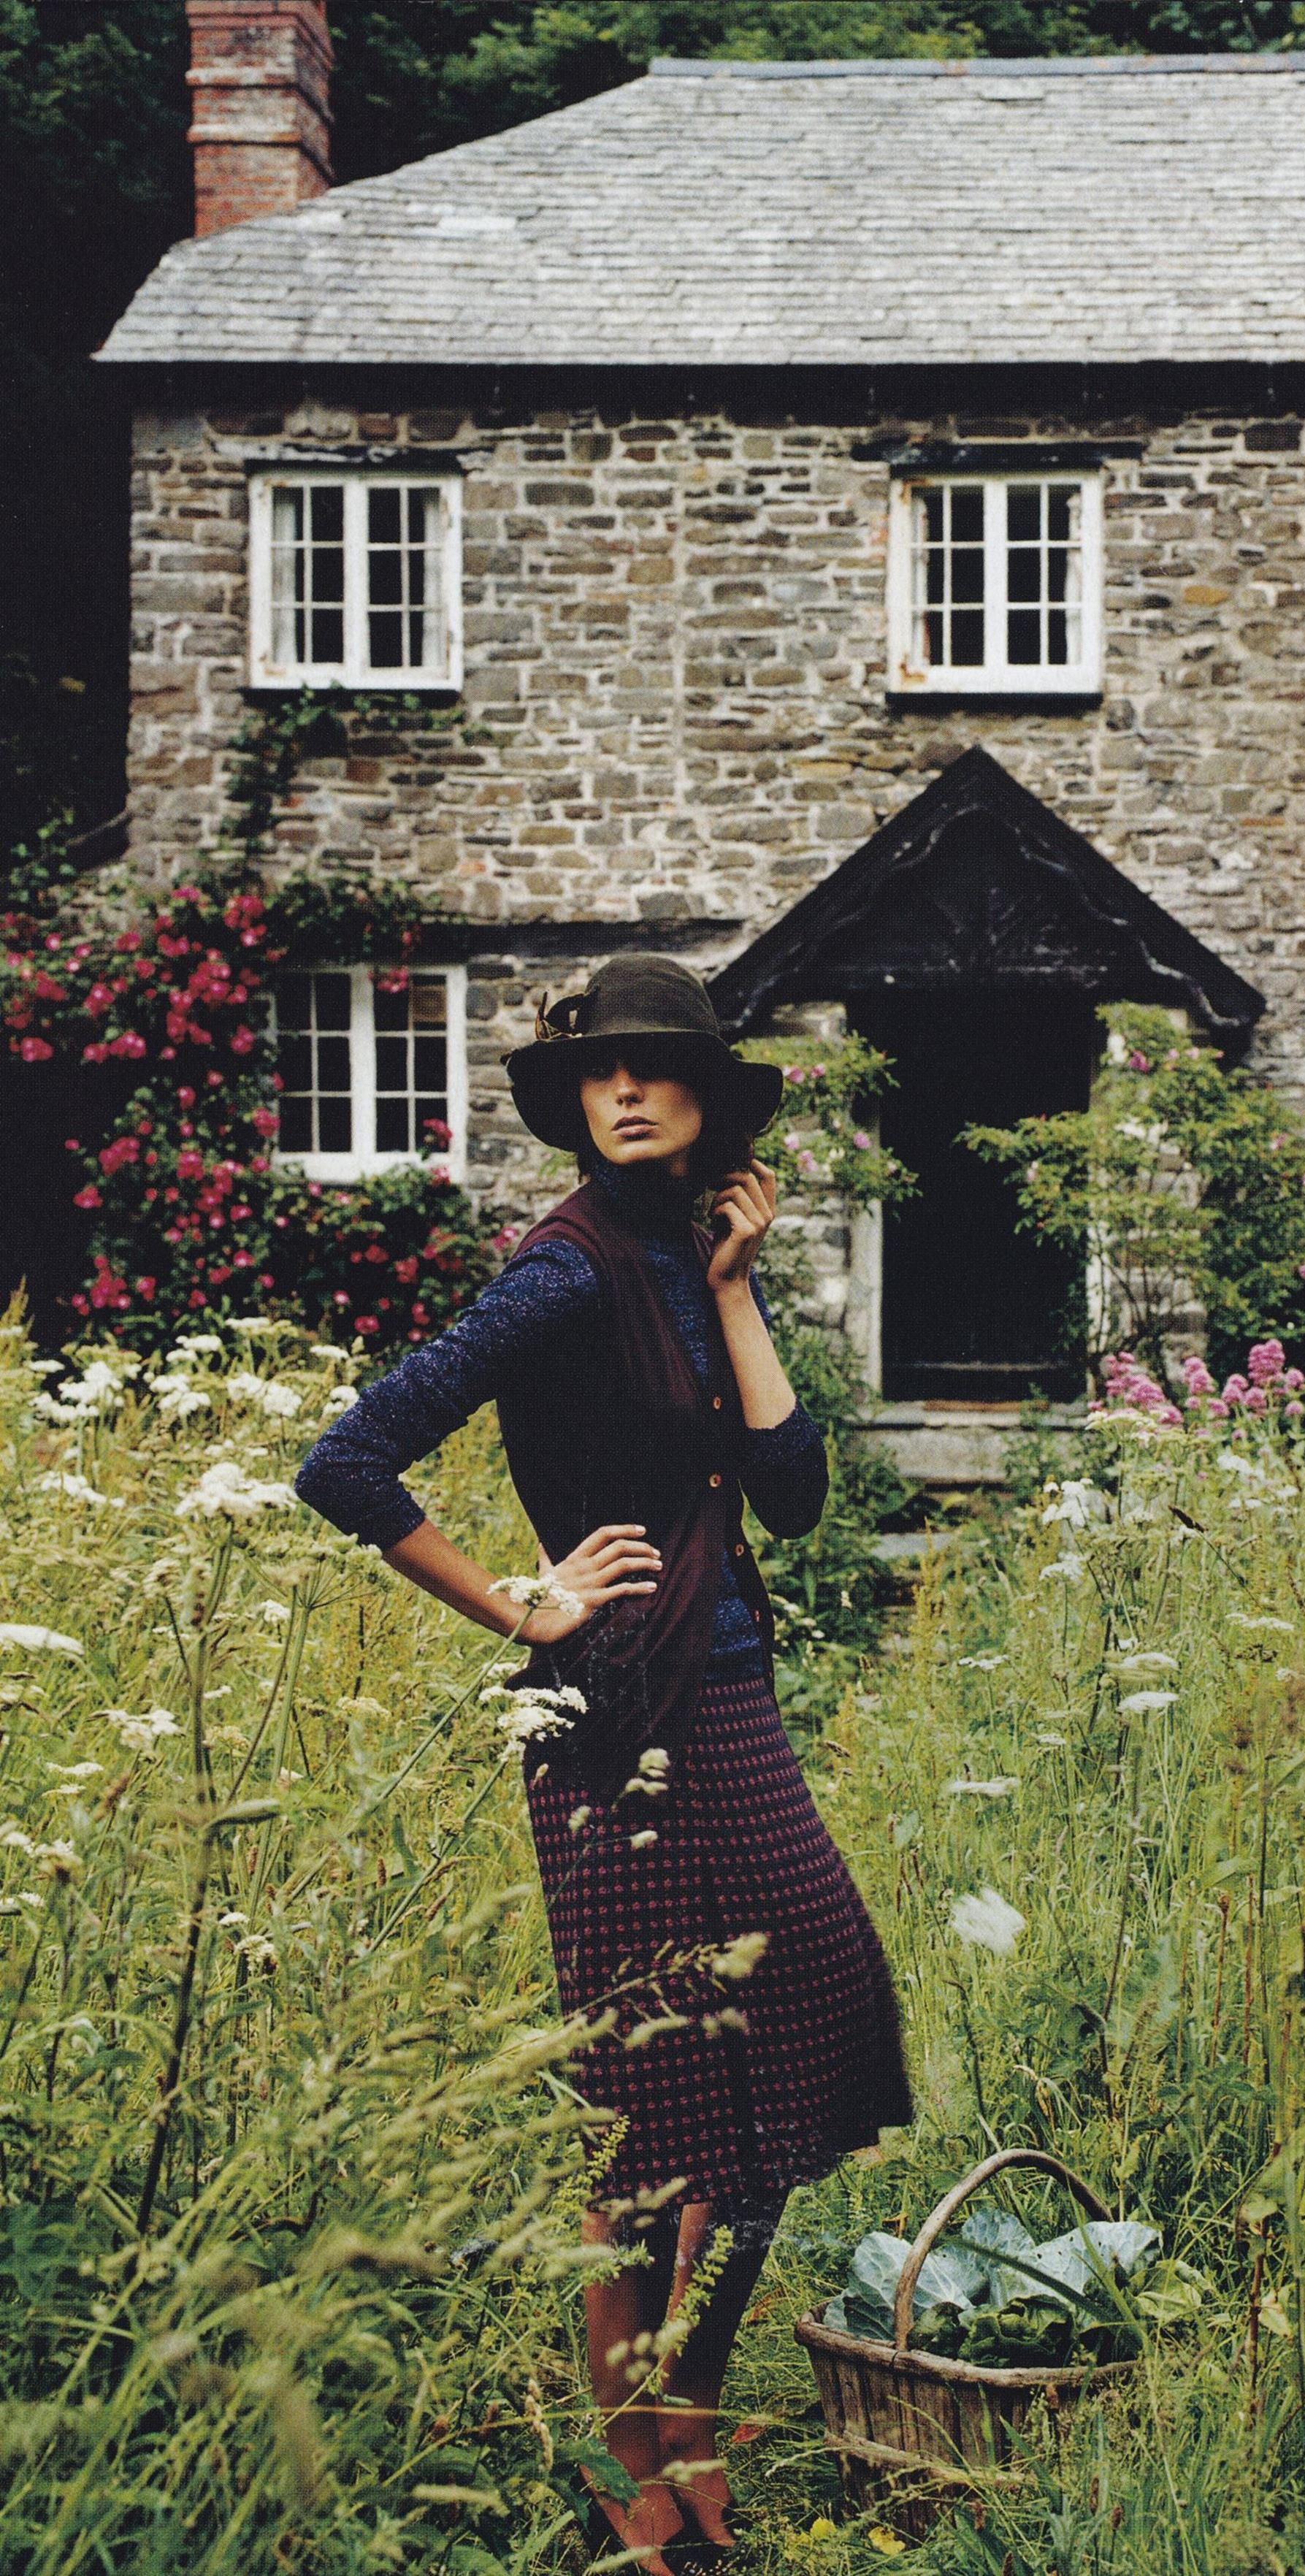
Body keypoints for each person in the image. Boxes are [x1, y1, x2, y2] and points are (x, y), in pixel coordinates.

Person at [293, 953, 912, 2568]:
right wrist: (523, 1606)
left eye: (655, 1066)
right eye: (599, 1072)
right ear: (575, 1104)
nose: (624, 1090)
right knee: (646, 2111)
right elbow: (346, 1460)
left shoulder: (685, 1257)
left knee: (804, 2046)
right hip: (612, 1719)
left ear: (709, 1098)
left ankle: (688, 2409)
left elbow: (791, 1495)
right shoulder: (561, 1273)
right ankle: (637, 2465)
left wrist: (736, 1287)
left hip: (729, 1696)